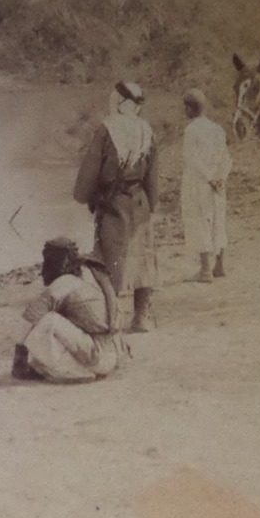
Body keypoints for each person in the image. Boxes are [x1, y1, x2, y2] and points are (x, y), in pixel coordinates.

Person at [73, 80, 160, 332]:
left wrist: (85, 196)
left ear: (119, 102)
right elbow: (153, 176)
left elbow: (88, 175)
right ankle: (141, 316)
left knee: (109, 260)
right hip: (140, 201)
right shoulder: (146, 129)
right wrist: (150, 204)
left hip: (114, 205)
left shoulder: (106, 129)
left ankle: (112, 319)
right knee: (144, 257)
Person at [12, 237, 128, 383]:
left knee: (49, 320)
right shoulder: (91, 271)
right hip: (115, 350)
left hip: (100, 357)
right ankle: (80, 369)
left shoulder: (64, 282)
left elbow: (29, 318)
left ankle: (79, 373)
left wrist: (19, 360)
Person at [181, 88, 232, 282]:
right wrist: (221, 178)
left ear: (189, 109)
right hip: (217, 185)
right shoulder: (217, 129)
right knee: (218, 220)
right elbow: (226, 158)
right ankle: (219, 265)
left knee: (199, 221)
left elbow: (191, 159)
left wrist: (210, 178)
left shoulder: (191, 130)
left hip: (199, 183)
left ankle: (205, 270)